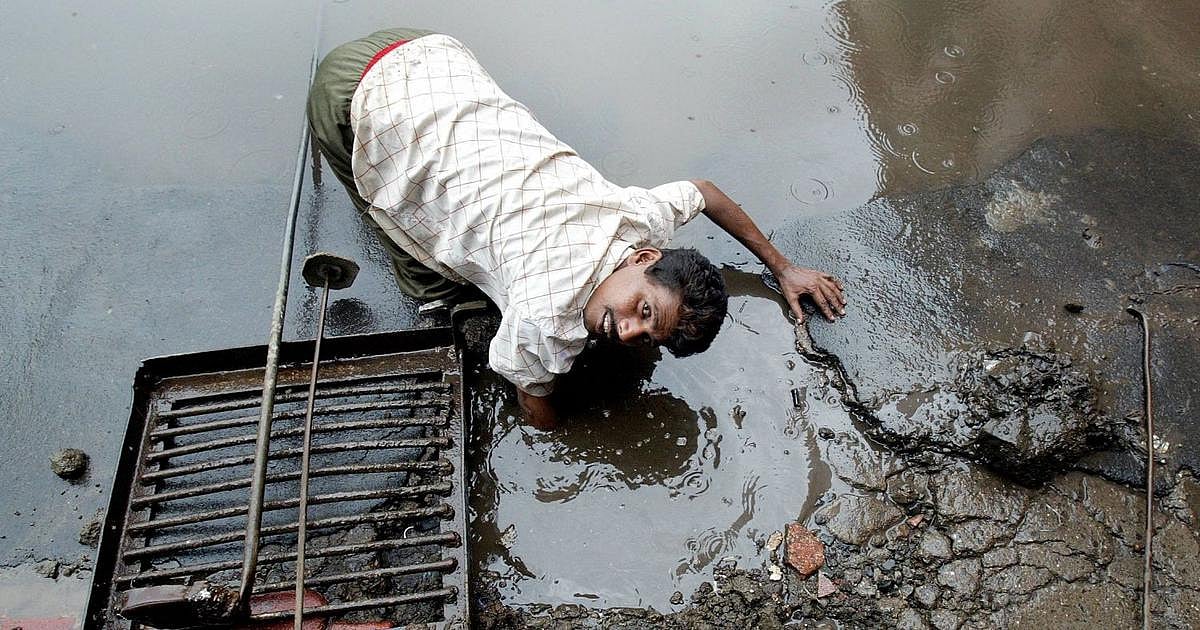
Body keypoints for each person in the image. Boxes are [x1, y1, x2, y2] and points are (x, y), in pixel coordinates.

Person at [306, 28, 846, 429]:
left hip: (431, 54)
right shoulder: (546, 323)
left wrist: (784, 266)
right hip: (352, 104)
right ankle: (440, 295)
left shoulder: (637, 219)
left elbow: (704, 192)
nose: (629, 330)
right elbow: (533, 401)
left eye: (645, 332)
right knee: (396, 225)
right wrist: (564, 437)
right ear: (642, 259)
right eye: (645, 311)